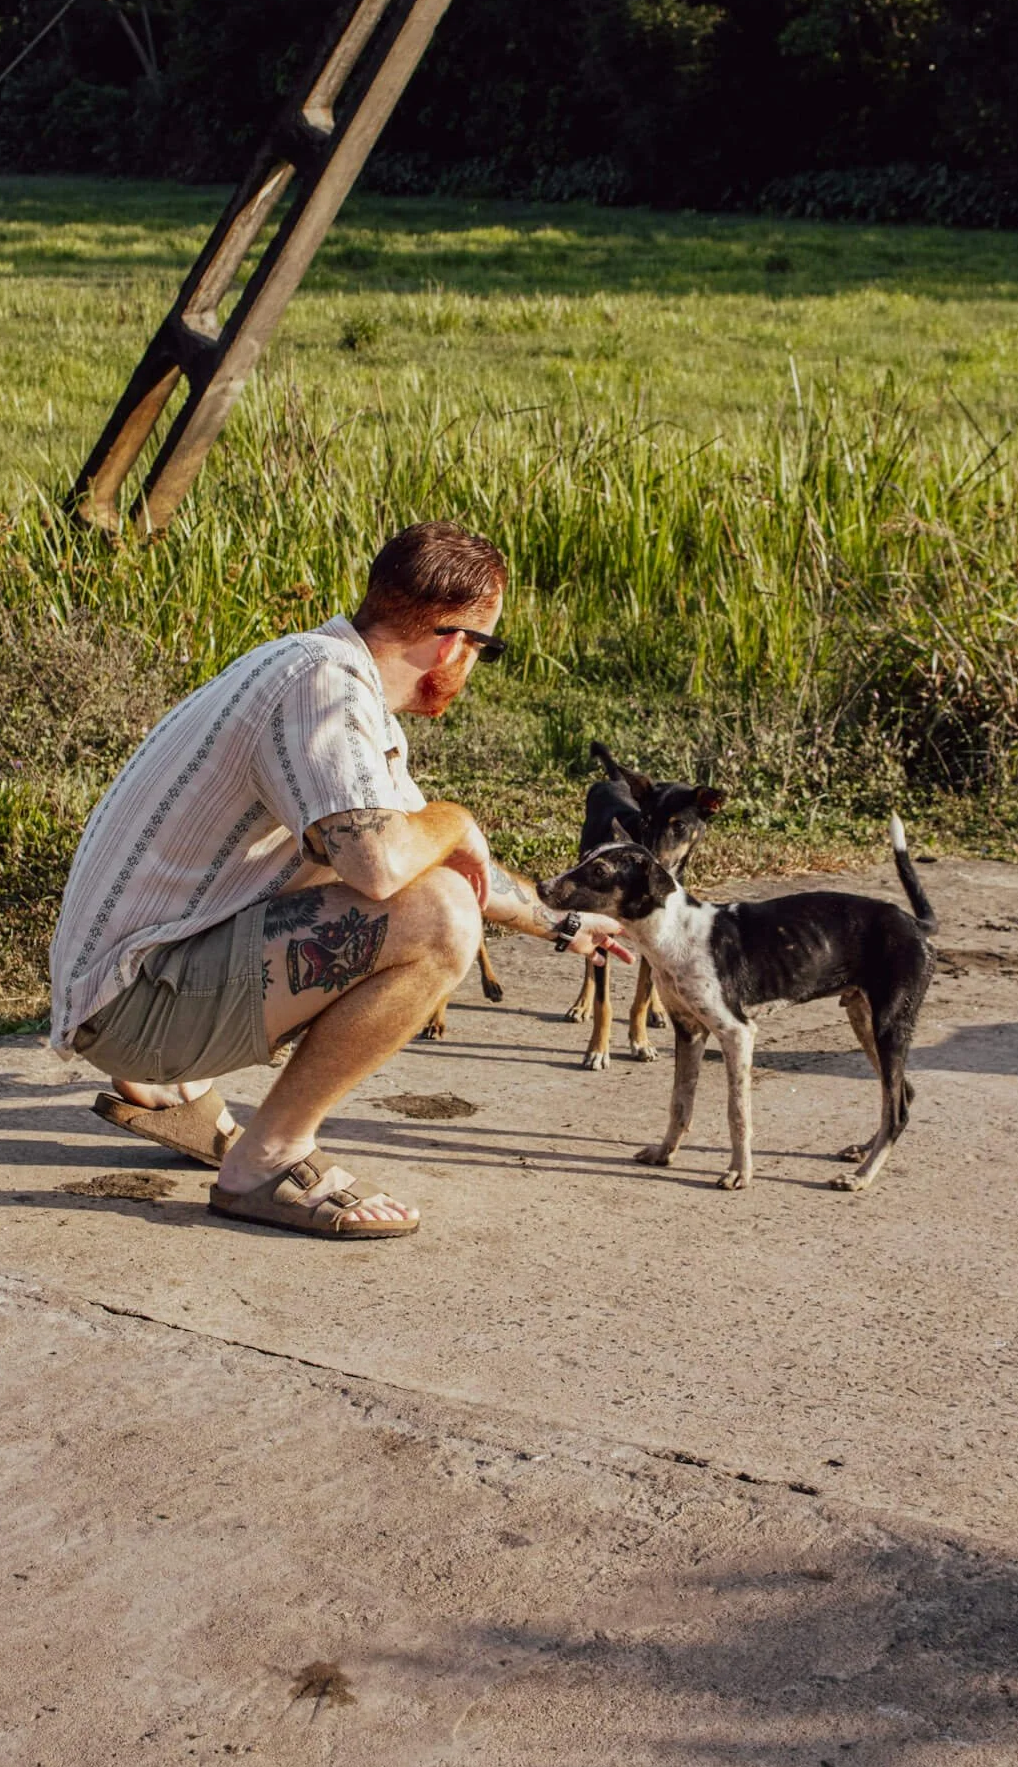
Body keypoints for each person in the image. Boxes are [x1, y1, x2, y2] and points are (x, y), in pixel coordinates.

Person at [48, 521, 628, 1240]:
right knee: (441, 919)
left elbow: (421, 850)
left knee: (424, 884)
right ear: (453, 641)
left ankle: (176, 1091)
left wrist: (565, 925)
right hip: (133, 1004)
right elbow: (387, 867)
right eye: (486, 647)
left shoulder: (315, 674)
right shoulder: (324, 686)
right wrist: (457, 819)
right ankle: (266, 1161)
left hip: (129, 982)